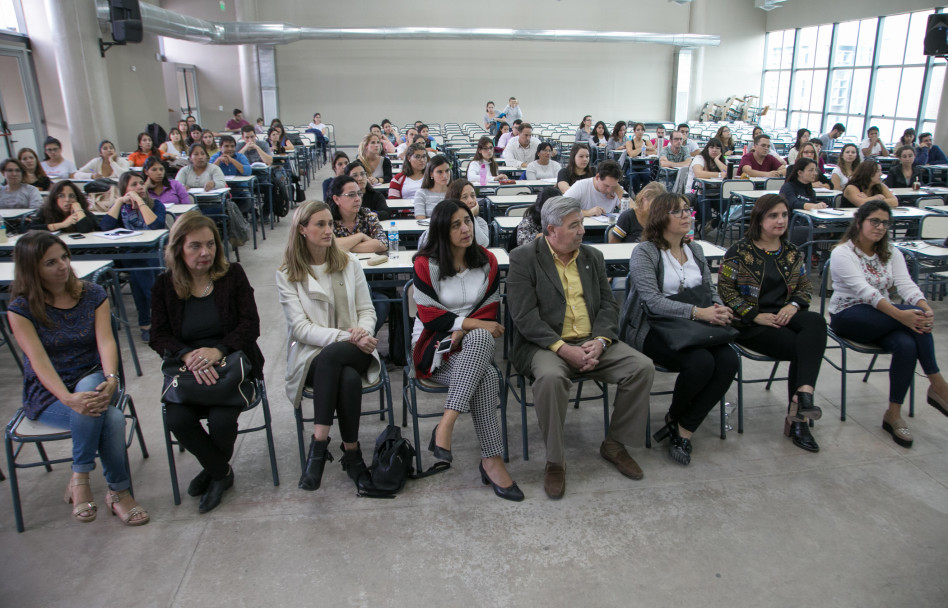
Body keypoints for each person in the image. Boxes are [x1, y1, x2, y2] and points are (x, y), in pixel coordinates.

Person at [507, 196, 653, 498]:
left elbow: (609, 307)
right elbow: (524, 317)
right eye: (574, 226)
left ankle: (614, 444)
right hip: (545, 345)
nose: (582, 231)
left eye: (582, 224)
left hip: (592, 341)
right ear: (552, 230)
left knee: (641, 367)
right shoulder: (524, 258)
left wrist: (600, 342)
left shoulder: (592, 257)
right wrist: (563, 349)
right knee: (550, 378)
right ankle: (555, 460)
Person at [8, 231, 149, 526]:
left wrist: (112, 378)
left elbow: (106, 342)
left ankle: (79, 478)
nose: (63, 266)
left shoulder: (92, 294)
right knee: (110, 418)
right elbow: (39, 360)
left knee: (90, 393)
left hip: (92, 376)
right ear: (32, 269)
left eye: (64, 257)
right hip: (49, 391)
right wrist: (67, 398)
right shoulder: (21, 309)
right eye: (51, 262)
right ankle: (118, 493)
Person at [150, 213, 263, 512]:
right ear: (178, 249)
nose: (205, 253)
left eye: (211, 244)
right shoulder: (165, 285)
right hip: (189, 372)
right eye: (195, 246)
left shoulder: (232, 275)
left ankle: (213, 471)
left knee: (222, 420)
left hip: (231, 367)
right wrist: (187, 355)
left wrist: (218, 351)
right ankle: (221, 472)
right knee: (178, 420)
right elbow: (158, 335)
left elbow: (250, 325)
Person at [412, 199, 522, 501]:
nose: (465, 229)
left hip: (472, 344)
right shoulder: (425, 264)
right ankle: (492, 461)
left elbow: (490, 312)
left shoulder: (488, 260)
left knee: (481, 339)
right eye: (455, 225)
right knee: (486, 375)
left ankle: (445, 425)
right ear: (441, 231)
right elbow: (430, 315)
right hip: (433, 345)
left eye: (467, 221)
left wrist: (466, 328)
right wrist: (466, 325)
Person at [620, 193, 737, 465]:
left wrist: (718, 308)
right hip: (653, 328)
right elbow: (652, 301)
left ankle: (683, 426)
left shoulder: (694, 249)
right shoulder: (645, 252)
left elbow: (709, 290)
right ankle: (676, 419)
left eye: (687, 210)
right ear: (661, 218)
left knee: (729, 359)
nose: (686, 215)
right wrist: (698, 312)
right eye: (678, 212)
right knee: (701, 362)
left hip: (696, 325)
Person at [277, 200, 381, 492]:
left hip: (357, 348)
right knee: (345, 376)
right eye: (319, 225)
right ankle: (353, 456)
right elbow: (301, 328)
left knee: (337, 358)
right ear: (302, 230)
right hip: (314, 356)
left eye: (329, 224)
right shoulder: (288, 274)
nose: (327, 230)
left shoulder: (348, 263)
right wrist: (348, 337)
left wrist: (364, 330)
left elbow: (367, 310)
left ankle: (318, 447)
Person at [828, 200, 948, 448]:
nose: (880, 227)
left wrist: (924, 308)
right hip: (849, 315)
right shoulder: (843, 253)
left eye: (885, 223)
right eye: (875, 221)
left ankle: (893, 414)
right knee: (912, 318)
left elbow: (906, 285)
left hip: (884, 317)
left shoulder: (892, 252)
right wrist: (903, 314)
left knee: (907, 344)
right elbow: (865, 292)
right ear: (860, 222)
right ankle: (938, 385)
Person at [718, 194, 828, 453]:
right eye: (773, 215)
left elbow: (804, 286)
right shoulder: (740, 251)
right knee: (802, 347)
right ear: (759, 219)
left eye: (784, 215)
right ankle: (799, 418)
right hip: (751, 323)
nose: (781, 221)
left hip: (784, 315)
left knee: (815, 322)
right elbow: (725, 290)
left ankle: (802, 396)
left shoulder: (790, 252)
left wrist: (793, 305)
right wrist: (753, 314)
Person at [101, 172, 167, 341]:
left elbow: (156, 226)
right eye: (134, 185)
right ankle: (160, 313)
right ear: (124, 189)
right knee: (140, 265)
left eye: (140, 183)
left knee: (140, 268)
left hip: (153, 252)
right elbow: (106, 227)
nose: (139, 187)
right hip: (126, 255)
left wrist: (139, 202)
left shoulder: (156, 205)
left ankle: (146, 322)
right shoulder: (121, 209)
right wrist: (118, 202)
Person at [418, 179, 489, 249]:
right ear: (454, 201)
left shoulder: (480, 222)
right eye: (465, 197)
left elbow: (482, 244)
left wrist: (470, 216)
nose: (471, 201)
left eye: (473, 196)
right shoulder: (442, 220)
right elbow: (427, 246)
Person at [28, 180, 99, 233]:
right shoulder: (45, 210)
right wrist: (63, 224)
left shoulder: (81, 212)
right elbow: (30, 228)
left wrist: (78, 209)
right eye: (61, 196)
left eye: (71, 196)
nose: (67, 200)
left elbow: (85, 229)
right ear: (54, 198)